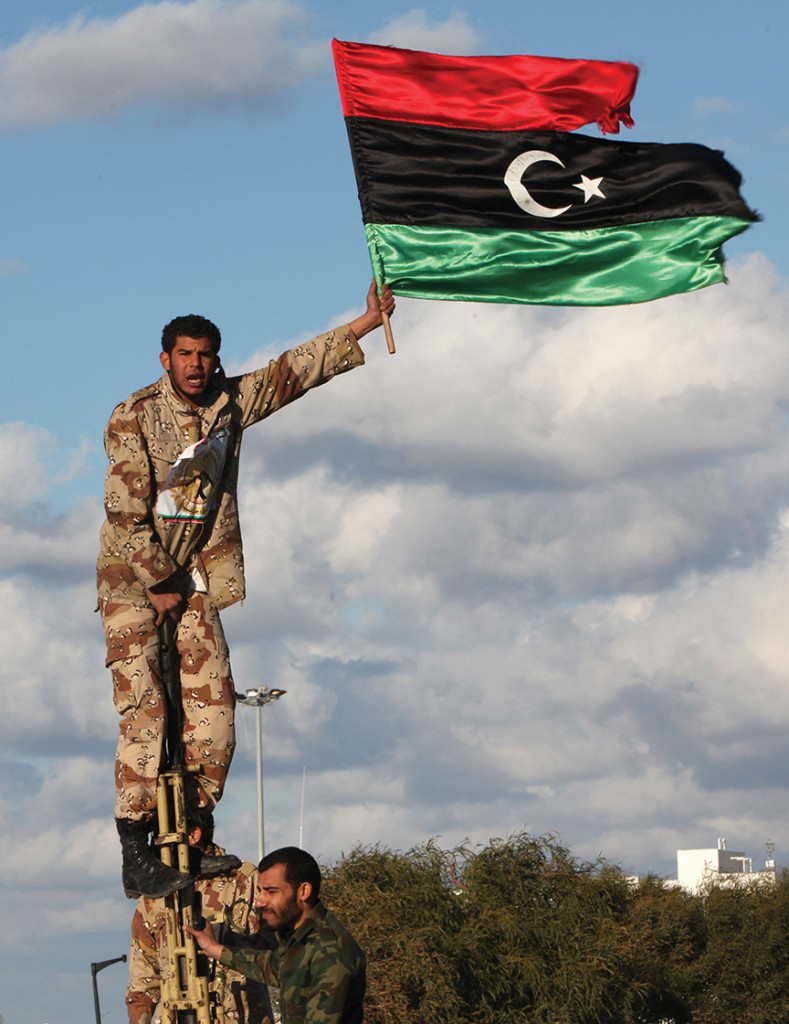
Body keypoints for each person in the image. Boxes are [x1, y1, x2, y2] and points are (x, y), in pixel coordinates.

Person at [97, 284, 395, 898]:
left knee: (215, 718)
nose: (196, 365)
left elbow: (293, 372)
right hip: (134, 584)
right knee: (147, 712)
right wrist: (156, 585)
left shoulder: (229, 403)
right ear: (165, 360)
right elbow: (124, 511)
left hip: (198, 581)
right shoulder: (134, 415)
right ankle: (135, 849)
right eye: (184, 354)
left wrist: (367, 321)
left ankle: (194, 833)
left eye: (205, 355)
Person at [185, 846, 365, 1024]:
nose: (260, 901)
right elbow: (272, 967)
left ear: (303, 891)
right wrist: (213, 948)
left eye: (271, 892)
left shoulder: (330, 951)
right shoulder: (301, 938)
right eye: (260, 891)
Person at [126, 814, 274, 1024]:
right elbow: (143, 978)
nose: (155, 847)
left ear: (194, 835)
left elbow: (270, 956)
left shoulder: (242, 879)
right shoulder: (154, 895)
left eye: (161, 838)